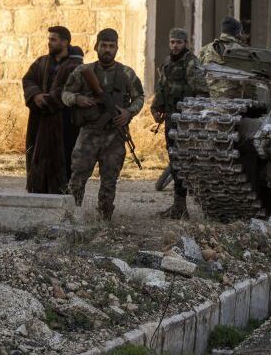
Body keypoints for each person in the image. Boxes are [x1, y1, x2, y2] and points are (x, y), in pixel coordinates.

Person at [62, 28, 144, 221]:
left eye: (111, 46)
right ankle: (71, 217)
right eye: (104, 46)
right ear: (96, 47)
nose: (107, 50)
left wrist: (128, 112)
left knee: (109, 182)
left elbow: (139, 97)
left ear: (117, 48)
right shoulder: (83, 71)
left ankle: (104, 219)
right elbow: (64, 94)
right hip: (88, 133)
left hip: (114, 135)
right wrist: (77, 99)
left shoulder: (126, 73)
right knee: (77, 179)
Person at [151, 28, 209, 219]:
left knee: (183, 163)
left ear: (186, 44)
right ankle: (179, 206)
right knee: (175, 162)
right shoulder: (167, 62)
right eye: (172, 42)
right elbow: (161, 87)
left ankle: (181, 206)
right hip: (170, 119)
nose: (175, 45)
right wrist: (155, 107)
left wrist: (195, 119)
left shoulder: (191, 63)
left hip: (185, 122)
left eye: (179, 42)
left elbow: (201, 92)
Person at [22, 26, 84, 194]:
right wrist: (35, 96)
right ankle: (37, 193)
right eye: (49, 39)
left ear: (65, 42)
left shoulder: (76, 66)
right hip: (39, 121)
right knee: (37, 157)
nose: (49, 42)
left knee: (64, 159)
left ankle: (63, 197)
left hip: (64, 122)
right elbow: (28, 79)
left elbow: (71, 88)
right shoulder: (41, 62)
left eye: (53, 39)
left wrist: (48, 99)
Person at [199, 17, 249, 98]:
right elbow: (249, 81)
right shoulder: (242, 51)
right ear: (238, 33)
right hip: (234, 104)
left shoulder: (205, 49)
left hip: (210, 102)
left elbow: (198, 75)